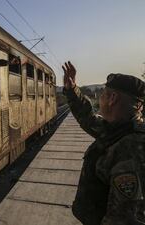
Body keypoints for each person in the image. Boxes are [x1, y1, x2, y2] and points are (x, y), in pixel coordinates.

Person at [63, 61, 145, 225]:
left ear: (112, 99)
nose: (99, 99)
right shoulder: (119, 129)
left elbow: (124, 218)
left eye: (102, 94)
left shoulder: (130, 148)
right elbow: (88, 119)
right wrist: (72, 90)